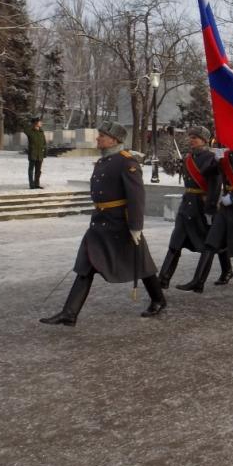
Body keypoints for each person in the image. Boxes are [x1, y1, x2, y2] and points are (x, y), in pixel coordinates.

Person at [40, 122, 165, 326]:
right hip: (100, 223)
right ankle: (69, 313)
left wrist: (135, 226)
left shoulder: (127, 162)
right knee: (86, 265)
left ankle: (158, 299)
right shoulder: (103, 161)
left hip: (120, 224)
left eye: (102, 136)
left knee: (140, 262)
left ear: (114, 140)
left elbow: (136, 196)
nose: (97, 139)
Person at [180, 139, 233, 292]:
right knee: (211, 241)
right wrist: (216, 160)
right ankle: (198, 281)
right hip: (226, 207)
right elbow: (206, 173)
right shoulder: (226, 155)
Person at [156, 126, 219, 289]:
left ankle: (199, 281)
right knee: (175, 242)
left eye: (195, 137)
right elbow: (171, 168)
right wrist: (164, 145)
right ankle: (163, 278)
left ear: (204, 140)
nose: (191, 140)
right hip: (187, 205)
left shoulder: (211, 158)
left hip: (201, 205)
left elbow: (215, 185)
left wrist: (210, 209)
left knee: (208, 244)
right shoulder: (187, 158)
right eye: (190, 137)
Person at [23, 117, 47, 189]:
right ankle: (32, 184)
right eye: (39, 122)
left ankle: (37, 184)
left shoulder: (41, 132)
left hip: (40, 154)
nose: (41, 123)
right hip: (33, 153)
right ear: (36, 123)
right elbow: (25, 129)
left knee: (38, 171)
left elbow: (44, 143)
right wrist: (32, 124)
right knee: (31, 170)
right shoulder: (30, 131)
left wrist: (44, 153)